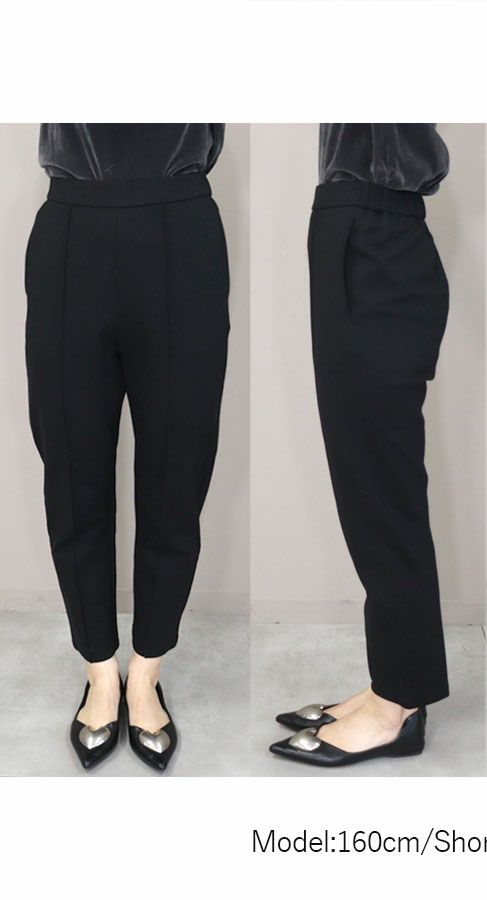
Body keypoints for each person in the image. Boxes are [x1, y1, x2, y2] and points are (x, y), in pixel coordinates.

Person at [26, 124, 229, 770]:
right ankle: (99, 671)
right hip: (72, 220)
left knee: (178, 469)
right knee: (72, 469)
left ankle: (145, 671)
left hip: (181, 219)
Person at [270, 124, 451, 766]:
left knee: (380, 488)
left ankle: (396, 704)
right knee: (372, 483)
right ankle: (395, 683)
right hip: (364, 226)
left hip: (374, 230)